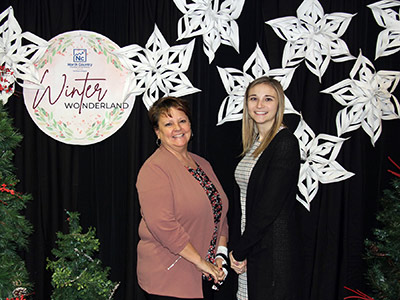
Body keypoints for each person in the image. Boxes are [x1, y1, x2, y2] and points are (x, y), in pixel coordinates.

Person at [136, 96, 229, 300]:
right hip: (169, 277)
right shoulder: (154, 169)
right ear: (158, 132)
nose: (177, 128)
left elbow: (219, 213)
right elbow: (162, 224)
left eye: (182, 120)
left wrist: (220, 255)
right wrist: (200, 261)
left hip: (204, 273)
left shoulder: (202, 164)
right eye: (168, 124)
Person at [229, 76, 302, 300]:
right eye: (254, 98)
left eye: (268, 99)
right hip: (252, 245)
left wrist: (241, 250)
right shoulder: (255, 143)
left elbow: (268, 209)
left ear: (279, 104)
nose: (259, 105)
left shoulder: (285, 142)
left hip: (270, 251)